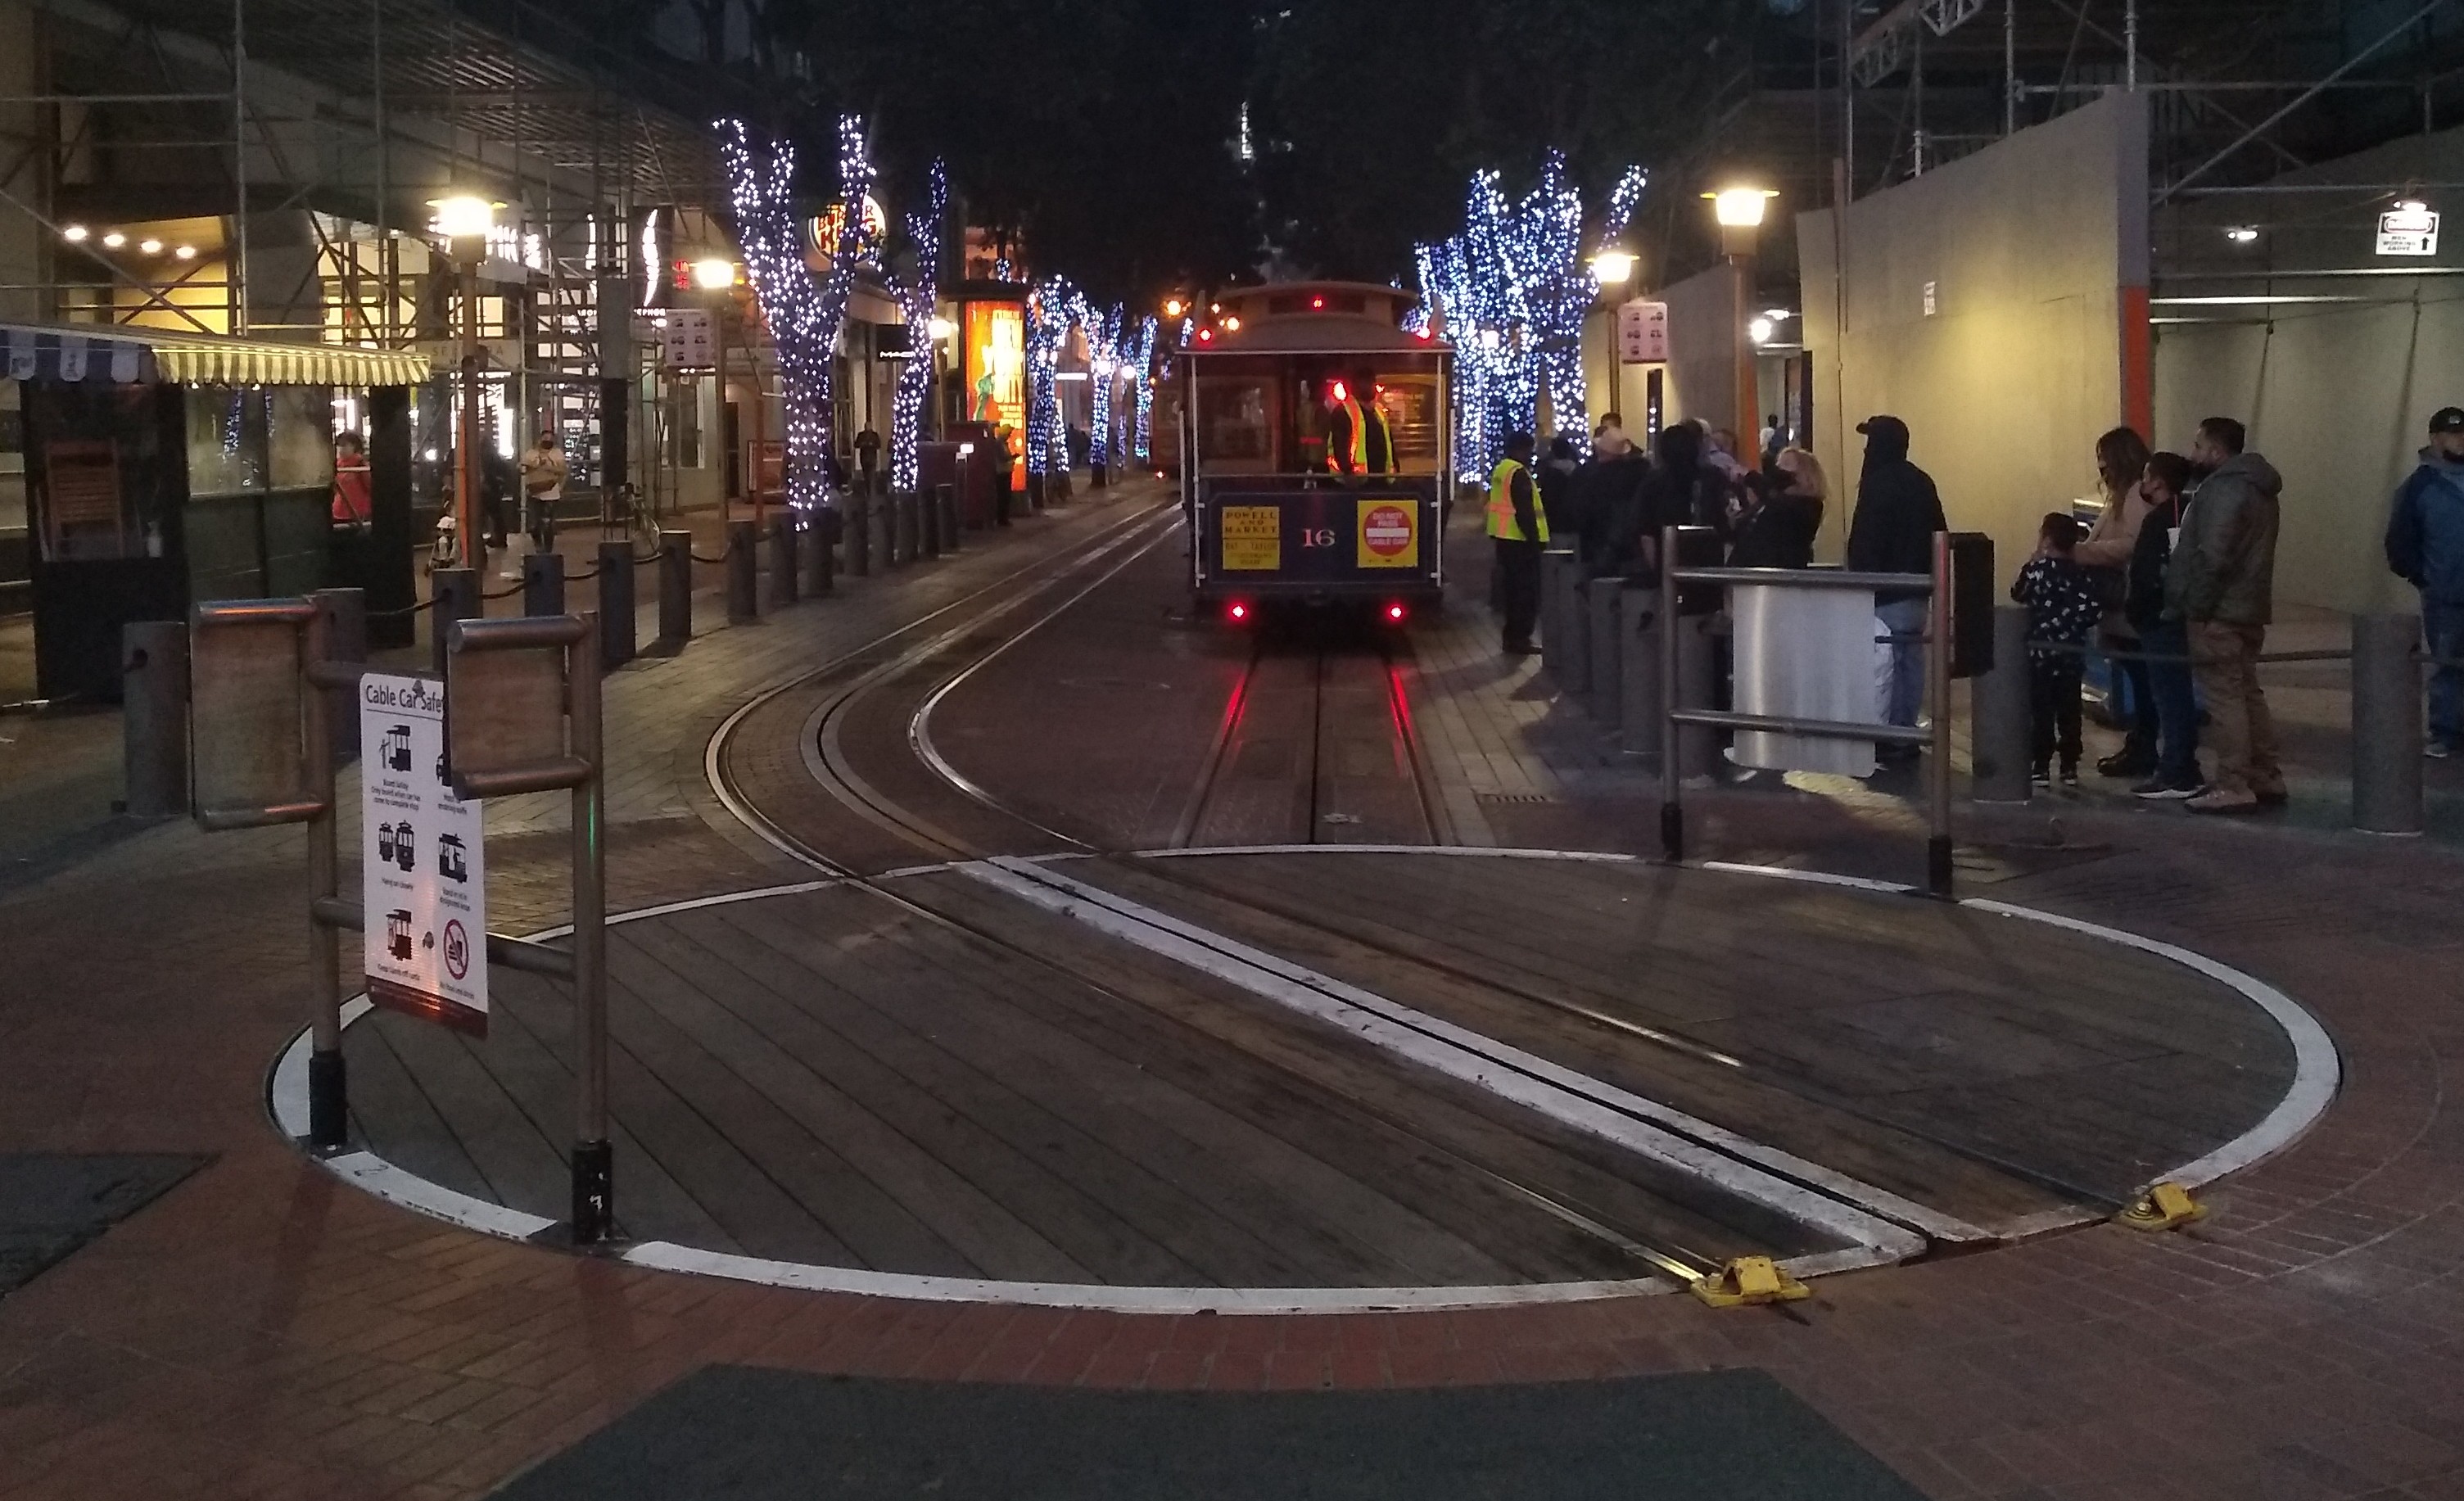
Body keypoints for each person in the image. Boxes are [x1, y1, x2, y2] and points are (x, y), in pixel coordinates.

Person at [2166, 416, 2285, 813]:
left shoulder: (2222, 489)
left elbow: (2213, 557)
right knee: (2248, 692)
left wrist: (2196, 607)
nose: (2192, 453)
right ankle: (2264, 774)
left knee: (2226, 698)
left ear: (2217, 451)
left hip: (2219, 610)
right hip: (2248, 606)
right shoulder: (2260, 487)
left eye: (2198, 446)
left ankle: (2233, 782)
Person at [1846, 414, 1947, 738]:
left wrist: (1860, 585)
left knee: (1882, 665)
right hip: (1918, 590)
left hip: (1883, 592)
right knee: (1909, 662)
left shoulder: (1876, 484)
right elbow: (1939, 533)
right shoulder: (1922, 481)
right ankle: (1905, 732)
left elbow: (1865, 541)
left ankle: (1885, 733)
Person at [2073, 426, 2157, 777]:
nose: (2101, 471)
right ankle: (2141, 744)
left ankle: (2145, 747)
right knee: (2142, 680)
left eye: (2105, 463)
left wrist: (2087, 552)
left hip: (2128, 605)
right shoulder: (2123, 496)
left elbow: (2136, 543)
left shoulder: (2135, 496)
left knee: (2144, 681)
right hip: (2121, 608)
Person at [2384, 405, 2464, 757]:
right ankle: (2446, 732)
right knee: (2447, 663)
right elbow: (2400, 541)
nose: (2460, 441)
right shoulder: (2419, 487)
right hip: (2445, 595)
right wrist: (2423, 578)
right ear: (2435, 439)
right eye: (2453, 434)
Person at [2129, 453, 2204, 801]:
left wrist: (2141, 610)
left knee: (2170, 696)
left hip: (2161, 618)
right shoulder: (2188, 513)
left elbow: (2147, 573)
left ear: (2157, 481)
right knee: (2175, 694)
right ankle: (2183, 766)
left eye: (2146, 477)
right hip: (2171, 615)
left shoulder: (2161, 520)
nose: (2142, 485)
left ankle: (2177, 770)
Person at [2011, 513, 2105, 786]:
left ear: (2047, 539)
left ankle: (2040, 764)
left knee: (2041, 710)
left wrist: (2032, 562)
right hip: (2071, 654)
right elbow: (2093, 611)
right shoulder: (2080, 573)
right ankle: (2069, 766)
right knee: (2069, 709)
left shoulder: (2036, 571)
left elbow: (2018, 593)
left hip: (2040, 654)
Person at [1486, 432, 1548, 655]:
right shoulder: (1518, 473)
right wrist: (1535, 540)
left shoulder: (1502, 469)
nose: (1531, 454)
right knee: (1525, 593)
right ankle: (1521, 639)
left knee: (1512, 593)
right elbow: (1525, 512)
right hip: (1520, 543)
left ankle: (1511, 638)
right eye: (1529, 449)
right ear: (1522, 449)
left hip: (1504, 540)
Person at [1729, 446, 1824, 569]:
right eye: (1778, 464)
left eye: (1786, 464)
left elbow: (1782, 510)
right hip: (1747, 571)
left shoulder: (1809, 505)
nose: (1778, 469)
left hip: (1779, 574)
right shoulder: (1767, 502)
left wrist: (1749, 476)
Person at [1319, 373, 1391, 477]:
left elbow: (1389, 443)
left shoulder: (1379, 412)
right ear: (1355, 387)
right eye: (1364, 383)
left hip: (1382, 478)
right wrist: (1348, 471)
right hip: (1355, 482)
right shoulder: (1343, 411)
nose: (1370, 387)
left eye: (1371, 383)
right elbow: (1340, 445)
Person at [516, 429, 567, 571]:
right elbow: (521, 467)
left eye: (550, 438)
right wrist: (530, 466)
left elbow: (563, 470)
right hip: (534, 493)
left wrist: (549, 467)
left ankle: (547, 551)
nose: (547, 441)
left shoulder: (557, 454)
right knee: (534, 524)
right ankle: (539, 548)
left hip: (551, 492)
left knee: (547, 523)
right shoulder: (532, 453)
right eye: (545, 438)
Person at [1537, 435, 1581, 538]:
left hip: (1554, 523)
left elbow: (1548, 499)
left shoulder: (1548, 472)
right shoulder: (1578, 471)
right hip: (1574, 523)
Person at [330, 432, 373, 526]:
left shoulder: (361, 466)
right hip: (338, 511)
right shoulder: (336, 465)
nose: (340, 449)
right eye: (339, 446)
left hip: (358, 514)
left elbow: (370, 487)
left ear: (354, 447)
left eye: (344, 446)